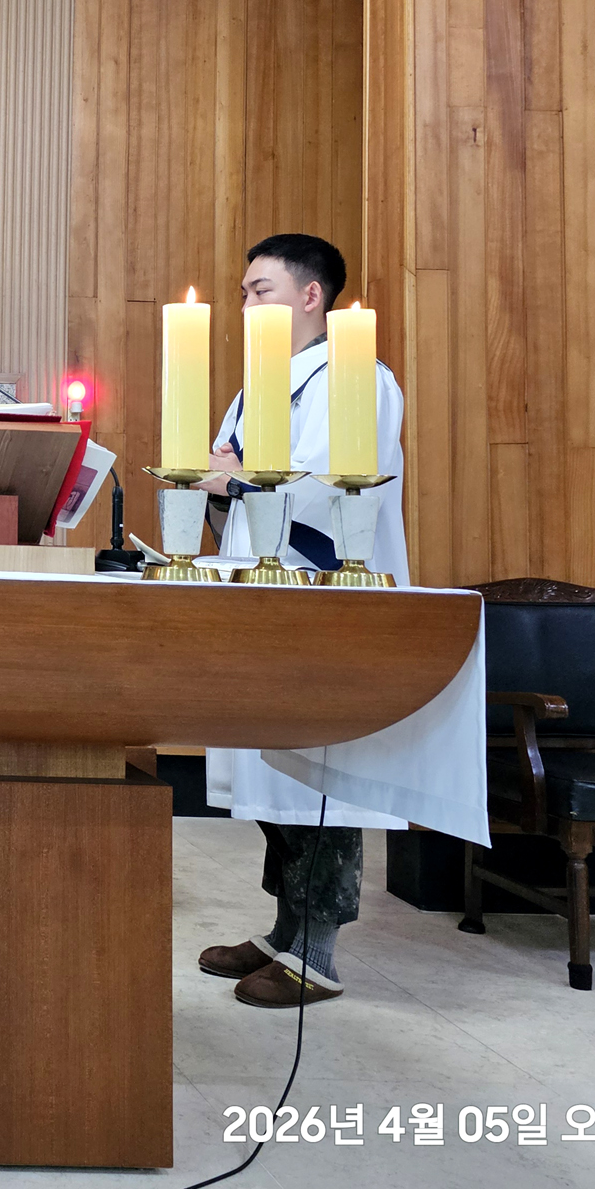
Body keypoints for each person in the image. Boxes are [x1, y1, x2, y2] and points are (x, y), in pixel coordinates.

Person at [195, 233, 409, 1009]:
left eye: (260, 291)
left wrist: (239, 476)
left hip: (324, 601)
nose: (245, 304)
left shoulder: (359, 378)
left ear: (311, 296)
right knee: (271, 771)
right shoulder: (259, 386)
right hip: (258, 596)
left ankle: (318, 953)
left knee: (320, 776)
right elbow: (232, 477)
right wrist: (215, 487)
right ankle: (284, 930)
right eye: (246, 291)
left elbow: (332, 488)